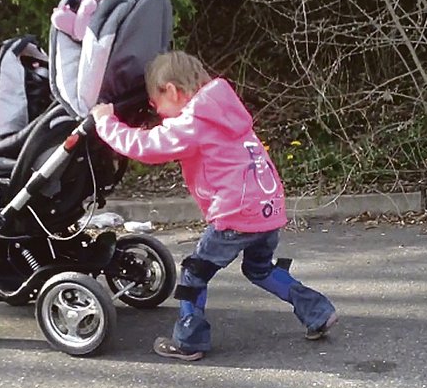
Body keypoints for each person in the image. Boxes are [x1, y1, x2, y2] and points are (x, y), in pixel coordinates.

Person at [90, 51, 337, 361]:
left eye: (156, 104)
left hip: (235, 215)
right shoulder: (226, 111)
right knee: (260, 269)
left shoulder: (193, 121)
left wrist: (106, 122)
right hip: (268, 209)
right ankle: (318, 311)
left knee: (194, 274)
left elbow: (145, 147)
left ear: (172, 90)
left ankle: (188, 342)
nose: (159, 112)